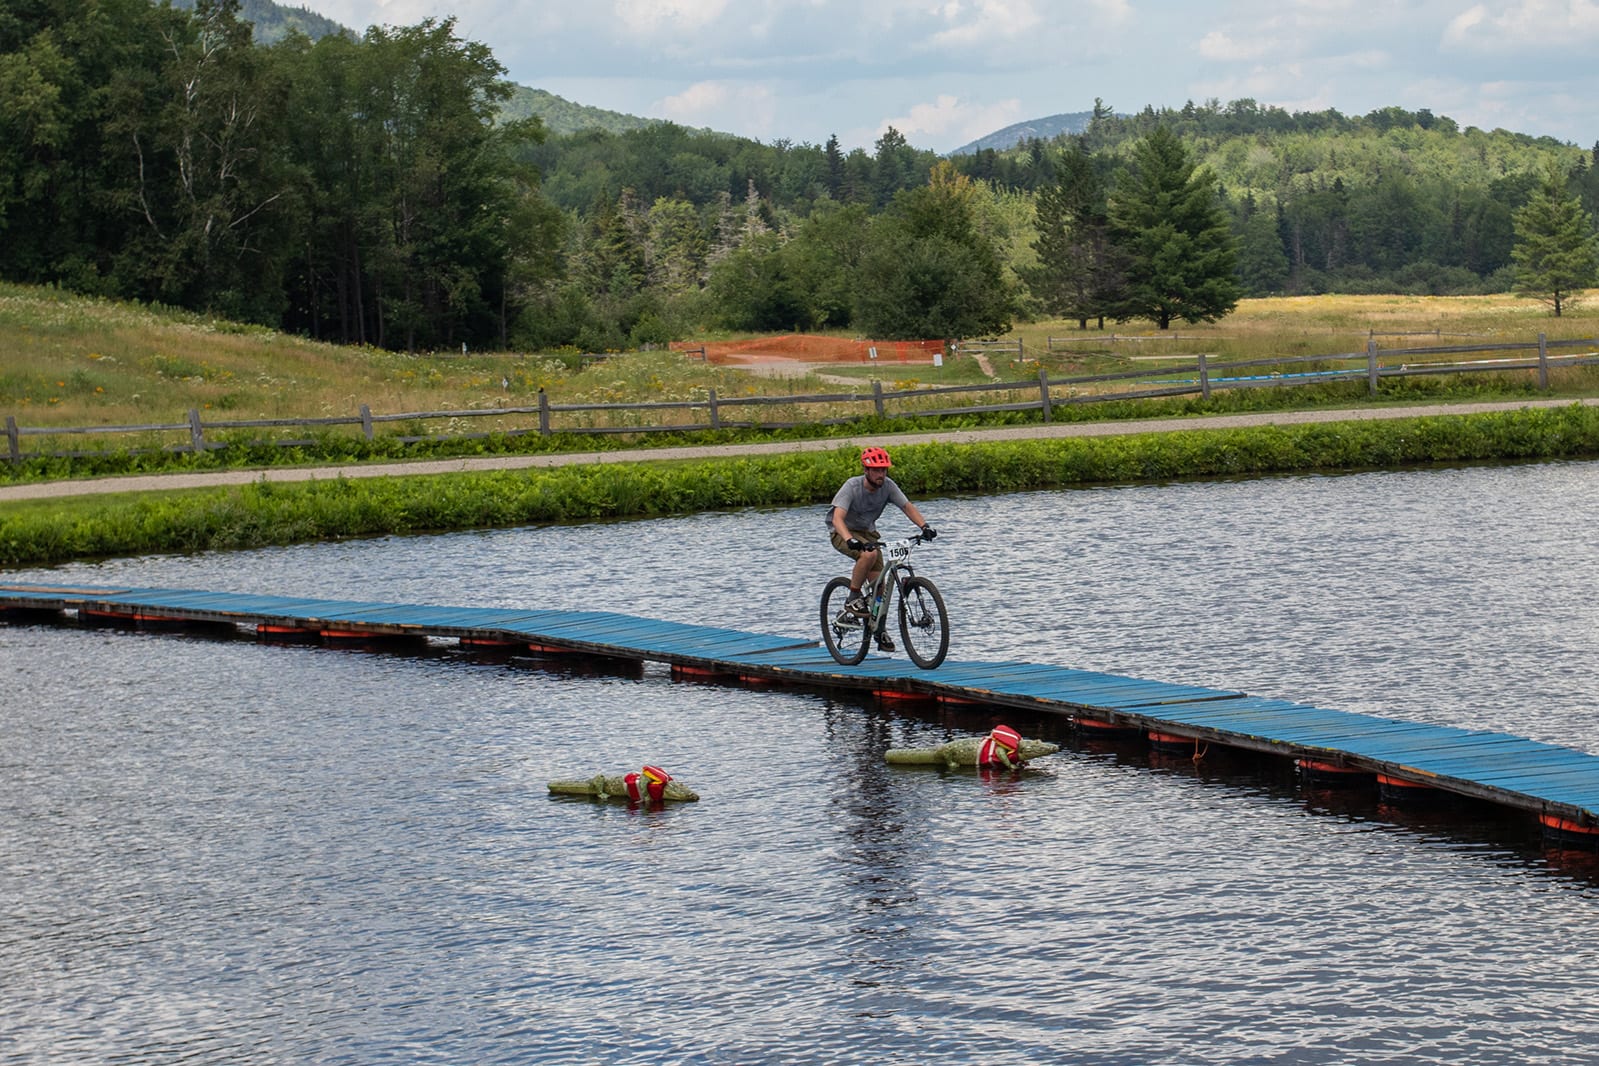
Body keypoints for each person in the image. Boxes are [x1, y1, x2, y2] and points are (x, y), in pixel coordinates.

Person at [827, 445, 936, 651]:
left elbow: (907, 506)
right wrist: (849, 539)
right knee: (869, 554)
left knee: (880, 588)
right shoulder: (852, 486)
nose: (881, 474)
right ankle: (853, 598)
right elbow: (837, 518)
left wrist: (924, 526)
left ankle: (878, 630)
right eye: (876, 470)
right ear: (866, 470)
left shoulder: (888, 486)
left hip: (868, 534)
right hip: (842, 532)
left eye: (884, 470)